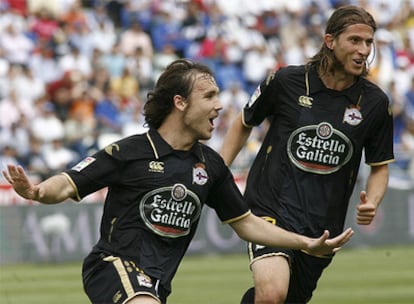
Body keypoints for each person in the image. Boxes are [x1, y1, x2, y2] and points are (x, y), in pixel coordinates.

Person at [2, 59, 354, 304]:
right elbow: (66, 183)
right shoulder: (130, 151)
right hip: (114, 268)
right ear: (180, 102)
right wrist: (35, 191)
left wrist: (304, 243)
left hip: (156, 287)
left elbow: (246, 223)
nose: (220, 106)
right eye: (209, 96)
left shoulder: (210, 167)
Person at [220, 6, 394, 304]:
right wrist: (218, 172)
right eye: (354, 40)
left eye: (368, 42)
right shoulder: (286, 82)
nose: (363, 50)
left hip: (322, 226)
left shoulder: (375, 103)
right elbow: (244, 122)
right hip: (270, 209)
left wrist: (373, 202)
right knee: (273, 293)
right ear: (330, 41)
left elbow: (379, 167)